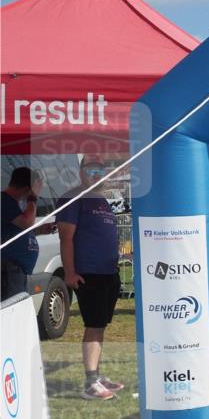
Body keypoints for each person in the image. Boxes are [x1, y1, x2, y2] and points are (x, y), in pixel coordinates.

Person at [57, 157, 125, 400]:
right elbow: (66, 237)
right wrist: (70, 272)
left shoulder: (101, 199)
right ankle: (90, 383)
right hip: (88, 274)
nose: (97, 174)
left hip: (108, 273)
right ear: (81, 171)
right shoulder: (73, 197)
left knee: (100, 326)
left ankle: (96, 374)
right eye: (91, 169)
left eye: (101, 169)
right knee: (93, 326)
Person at [1, 167, 55, 300]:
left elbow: (16, 231)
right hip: (8, 269)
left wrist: (38, 230)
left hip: (15, 270)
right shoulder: (4, 201)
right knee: (11, 310)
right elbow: (26, 222)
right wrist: (33, 198)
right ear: (27, 189)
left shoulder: (13, 204)